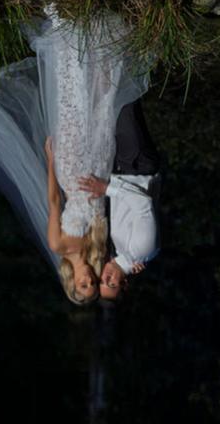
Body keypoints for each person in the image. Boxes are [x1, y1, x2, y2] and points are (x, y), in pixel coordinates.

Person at [28, 3, 149, 304]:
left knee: (75, 101)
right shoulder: (99, 250)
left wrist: (51, 160)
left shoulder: (59, 245)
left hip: (71, 171)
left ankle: (62, 23)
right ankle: (100, 30)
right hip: (98, 169)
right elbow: (126, 254)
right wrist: (133, 264)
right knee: (103, 104)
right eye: (93, 285)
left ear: (72, 285)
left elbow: (54, 201)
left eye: (84, 286)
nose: (90, 281)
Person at [77, 98, 161, 302]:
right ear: (124, 282)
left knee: (113, 103)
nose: (105, 277)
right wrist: (106, 188)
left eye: (102, 282)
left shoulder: (119, 253)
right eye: (112, 283)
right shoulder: (141, 250)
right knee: (125, 101)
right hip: (137, 165)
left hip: (123, 168)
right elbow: (143, 204)